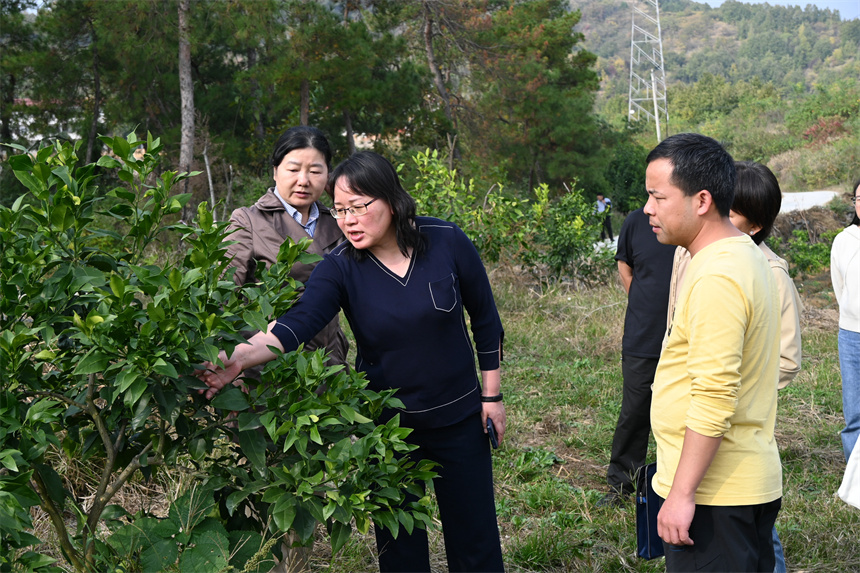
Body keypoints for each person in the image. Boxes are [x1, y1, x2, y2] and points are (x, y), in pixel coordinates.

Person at [198, 151, 506, 573]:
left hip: (460, 417)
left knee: (476, 541)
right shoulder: (340, 266)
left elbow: (486, 320)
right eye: (340, 210)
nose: (348, 220)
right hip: (389, 428)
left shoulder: (445, 240)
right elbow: (297, 324)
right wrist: (237, 357)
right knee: (399, 548)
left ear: (392, 201)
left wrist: (492, 395)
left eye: (359, 207)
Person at [644, 133, 782, 572]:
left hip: (715, 496)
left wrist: (682, 494)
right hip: (730, 487)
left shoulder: (718, 275)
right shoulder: (738, 254)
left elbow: (714, 395)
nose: (648, 209)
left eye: (658, 197)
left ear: (701, 200)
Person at [224, 126, 348, 368]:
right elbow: (221, 295)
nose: (303, 181)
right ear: (275, 171)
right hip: (267, 367)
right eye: (293, 169)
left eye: (315, 171)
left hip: (327, 364)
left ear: (328, 176)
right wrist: (229, 364)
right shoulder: (248, 221)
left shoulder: (340, 220)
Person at [599, 207, 674, 507]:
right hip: (642, 335)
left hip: (685, 335)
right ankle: (621, 484)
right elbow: (624, 263)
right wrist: (640, 298)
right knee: (634, 411)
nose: (652, 202)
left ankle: (675, 482)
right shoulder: (635, 221)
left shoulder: (691, 222)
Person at [831, 177, 860, 462]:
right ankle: (854, 470)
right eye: (859, 198)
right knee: (854, 408)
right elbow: (839, 286)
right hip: (852, 334)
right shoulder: (844, 240)